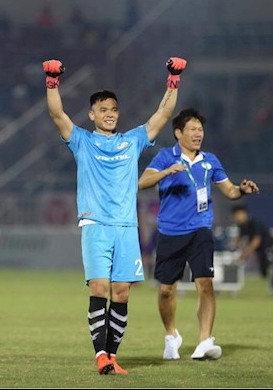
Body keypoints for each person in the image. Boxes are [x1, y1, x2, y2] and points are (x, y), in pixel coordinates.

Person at [43, 56, 186, 375]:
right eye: (103, 110)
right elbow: (56, 113)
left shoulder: (132, 140)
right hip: (96, 225)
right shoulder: (81, 140)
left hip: (126, 227)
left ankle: (112, 356)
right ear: (92, 114)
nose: (109, 115)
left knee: (121, 292)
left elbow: (163, 114)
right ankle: (100, 356)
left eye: (114, 110)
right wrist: (52, 81)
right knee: (99, 288)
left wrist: (173, 79)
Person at [138, 107, 259, 361]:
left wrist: (243, 189)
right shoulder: (164, 156)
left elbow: (230, 191)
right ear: (178, 133)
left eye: (200, 130)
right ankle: (172, 336)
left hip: (200, 229)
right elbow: (142, 182)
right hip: (170, 231)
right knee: (166, 291)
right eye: (192, 129)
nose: (198, 134)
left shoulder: (210, 160)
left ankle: (205, 340)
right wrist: (166, 172)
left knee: (205, 284)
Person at [231, 205, 273, 279]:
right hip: (259, 250)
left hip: (269, 248)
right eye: (235, 216)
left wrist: (246, 253)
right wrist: (232, 247)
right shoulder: (242, 226)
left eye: (238, 215)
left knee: (266, 267)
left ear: (244, 213)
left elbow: (257, 240)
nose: (237, 218)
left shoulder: (255, 223)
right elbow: (239, 238)